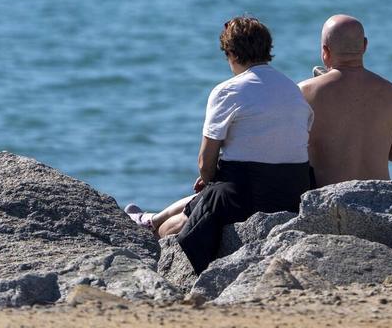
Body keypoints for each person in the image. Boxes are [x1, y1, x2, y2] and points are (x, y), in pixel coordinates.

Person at [128, 16, 313, 273]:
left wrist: (209, 177)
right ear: (267, 48)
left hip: (245, 195)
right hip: (294, 190)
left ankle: (153, 232)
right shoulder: (293, 90)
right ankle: (150, 218)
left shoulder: (228, 91)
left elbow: (205, 162)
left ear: (231, 53)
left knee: (195, 210)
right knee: (216, 190)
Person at [299, 15, 392, 187]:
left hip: (330, 203)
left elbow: (285, 152)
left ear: (325, 51)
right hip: (380, 201)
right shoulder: (390, 92)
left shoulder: (305, 92)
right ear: (365, 46)